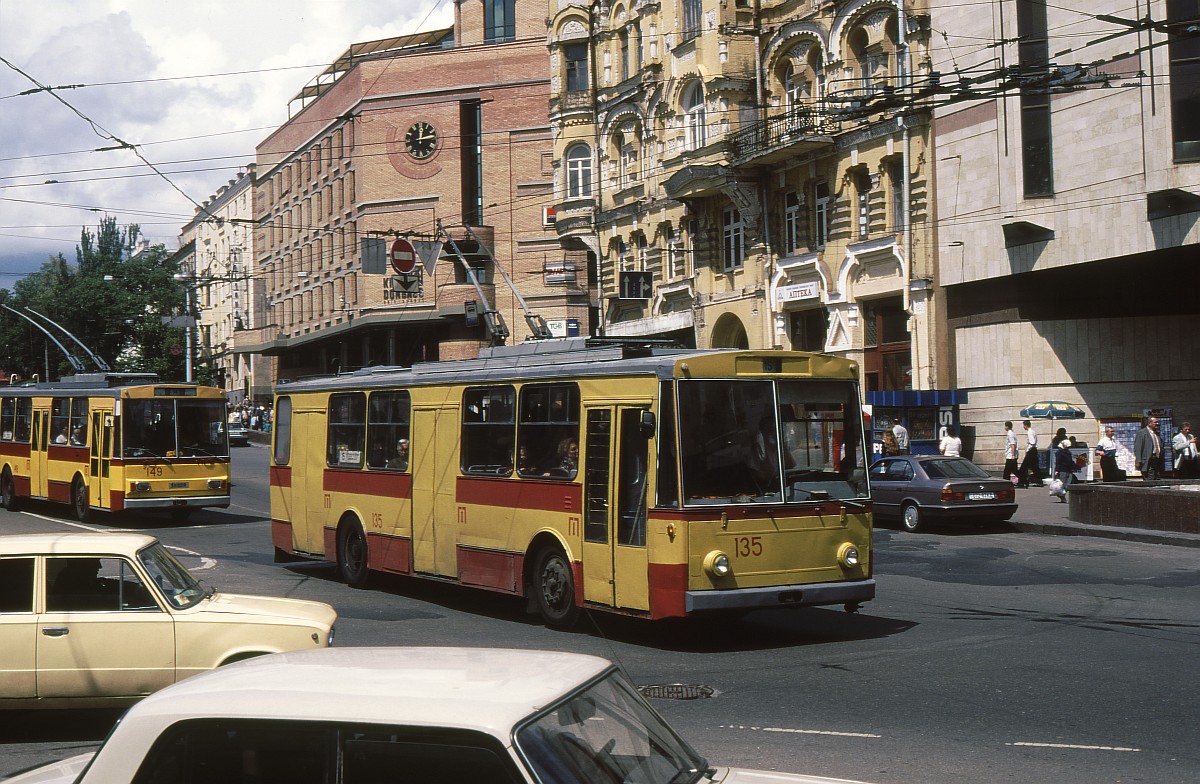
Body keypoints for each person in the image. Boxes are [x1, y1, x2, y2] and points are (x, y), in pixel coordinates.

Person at [1133, 416, 1163, 480]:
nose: (1157, 424)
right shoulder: (1142, 433)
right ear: (1149, 423)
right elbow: (1137, 448)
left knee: (1156, 478)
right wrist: (1138, 461)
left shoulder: (1156, 433)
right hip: (1147, 460)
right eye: (1155, 422)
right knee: (1150, 478)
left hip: (1156, 459)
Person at [1016, 419, 1042, 488]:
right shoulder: (1033, 431)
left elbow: (1032, 442)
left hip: (1031, 450)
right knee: (1034, 466)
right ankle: (1039, 480)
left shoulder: (1029, 432)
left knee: (1024, 467)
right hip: (1034, 450)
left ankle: (1022, 482)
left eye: (1023, 425)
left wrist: (1028, 449)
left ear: (1026, 425)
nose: (1023, 427)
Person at [1052, 437, 1076, 502]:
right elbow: (1058, 462)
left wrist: (1074, 467)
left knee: (1068, 484)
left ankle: (1062, 495)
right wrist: (1057, 470)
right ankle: (1062, 497)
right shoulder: (1059, 452)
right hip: (1062, 470)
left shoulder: (1068, 452)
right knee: (1061, 484)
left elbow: (1070, 461)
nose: (1068, 448)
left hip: (1069, 470)